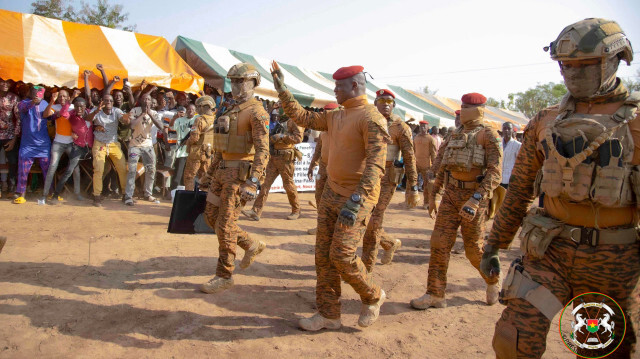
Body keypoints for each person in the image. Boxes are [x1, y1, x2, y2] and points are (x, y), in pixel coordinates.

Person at [481, 18, 640, 358]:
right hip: (548, 253)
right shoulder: (545, 120)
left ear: (614, 60)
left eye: (583, 65)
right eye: (565, 65)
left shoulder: (636, 121)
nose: (571, 73)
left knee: (601, 351)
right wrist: (494, 244)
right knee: (514, 339)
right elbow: (520, 189)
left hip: (612, 264)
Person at [272, 62, 387, 330]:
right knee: (323, 258)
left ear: (355, 86)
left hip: (355, 199)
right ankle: (329, 314)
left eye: (339, 86)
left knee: (342, 256)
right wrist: (282, 88)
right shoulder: (335, 116)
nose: (334, 90)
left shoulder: (371, 118)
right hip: (331, 194)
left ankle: (373, 295)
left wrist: (357, 202)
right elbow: (302, 117)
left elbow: (376, 166)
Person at [411, 92, 502, 309]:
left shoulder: (488, 135)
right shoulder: (454, 135)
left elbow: (495, 172)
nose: (462, 112)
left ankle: (492, 280)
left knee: (473, 250)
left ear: (478, 110)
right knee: (439, 243)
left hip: (473, 198)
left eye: (467, 108)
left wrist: (476, 199)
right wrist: (433, 196)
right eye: (462, 107)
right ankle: (435, 293)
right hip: (451, 196)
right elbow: (442, 167)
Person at [199, 63, 269, 294]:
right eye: (233, 81)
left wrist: (254, 181)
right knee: (211, 218)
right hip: (222, 172)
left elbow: (263, 150)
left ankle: (225, 274)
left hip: (240, 175)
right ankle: (251, 244)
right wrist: (209, 175)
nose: (236, 85)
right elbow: (220, 147)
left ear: (253, 82)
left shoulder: (257, 112)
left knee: (226, 225)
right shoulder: (230, 109)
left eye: (241, 81)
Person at [362, 89, 418, 271]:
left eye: (389, 101)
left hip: (387, 178)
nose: (386, 104)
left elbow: (410, 157)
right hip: (367, 176)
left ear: (394, 105)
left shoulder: (400, 127)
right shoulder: (367, 121)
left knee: (374, 219)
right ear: (375, 103)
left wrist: (413, 187)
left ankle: (366, 266)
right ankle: (389, 243)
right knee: (363, 217)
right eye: (382, 100)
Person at [242, 108, 303, 221]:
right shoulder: (280, 121)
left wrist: (281, 137)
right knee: (264, 184)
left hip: (285, 159)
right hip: (274, 157)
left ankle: (296, 210)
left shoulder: (294, 121)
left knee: (288, 185)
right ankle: (256, 211)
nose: (280, 108)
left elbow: (298, 138)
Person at [41, 89, 83, 203]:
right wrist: (51, 101)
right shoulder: (56, 107)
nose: (62, 98)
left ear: (68, 97)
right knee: (52, 167)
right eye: (60, 96)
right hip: (58, 142)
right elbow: (45, 115)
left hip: (71, 143)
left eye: (64, 96)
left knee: (76, 168)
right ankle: (45, 195)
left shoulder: (75, 107)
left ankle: (77, 193)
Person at [87, 94, 129, 207]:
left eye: (111, 100)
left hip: (113, 143)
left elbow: (124, 119)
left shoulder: (116, 111)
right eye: (106, 100)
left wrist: (127, 117)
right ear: (102, 102)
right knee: (99, 168)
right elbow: (87, 119)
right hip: (100, 143)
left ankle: (126, 194)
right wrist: (96, 111)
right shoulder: (97, 110)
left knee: (122, 168)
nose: (109, 102)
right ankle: (96, 196)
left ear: (113, 102)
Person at [122, 93, 164, 205]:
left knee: (151, 169)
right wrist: (142, 114)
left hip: (148, 146)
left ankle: (148, 194)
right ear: (141, 100)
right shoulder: (134, 111)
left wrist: (149, 113)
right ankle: (128, 196)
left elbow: (160, 126)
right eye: (144, 98)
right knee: (132, 170)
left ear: (151, 102)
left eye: (148, 99)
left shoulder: (154, 113)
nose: (146, 100)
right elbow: (131, 125)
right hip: (134, 146)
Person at [13, 86, 51, 204]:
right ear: (30, 93)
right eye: (35, 93)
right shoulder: (23, 103)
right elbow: (23, 108)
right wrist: (32, 102)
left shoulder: (45, 104)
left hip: (43, 144)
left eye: (40, 93)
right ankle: (21, 194)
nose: (37, 95)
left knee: (47, 169)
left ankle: (49, 192)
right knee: (23, 170)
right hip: (27, 145)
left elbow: (52, 116)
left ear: (43, 95)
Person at [50, 97, 93, 201]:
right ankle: (56, 195)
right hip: (79, 148)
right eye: (77, 106)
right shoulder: (72, 115)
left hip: (91, 148)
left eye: (81, 106)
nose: (79, 108)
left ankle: (91, 193)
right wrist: (70, 101)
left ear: (85, 107)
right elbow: (63, 112)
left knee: (99, 168)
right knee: (70, 170)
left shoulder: (90, 113)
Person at [306, 103, 339, 235]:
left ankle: (334, 226)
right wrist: (312, 165)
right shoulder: (323, 133)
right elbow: (318, 150)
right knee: (319, 195)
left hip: (337, 169)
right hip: (323, 168)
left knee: (334, 199)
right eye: (324, 113)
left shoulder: (342, 132)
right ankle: (322, 226)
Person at [183, 96, 215, 191]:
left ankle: (188, 196)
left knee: (189, 176)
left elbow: (194, 138)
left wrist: (188, 143)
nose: (197, 109)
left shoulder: (199, 120)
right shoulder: (215, 119)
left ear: (204, 107)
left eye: (198, 106)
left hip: (196, 153)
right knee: (205, 177)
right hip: (208, 153)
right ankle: (205, 199)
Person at [0, 78, 20, 198]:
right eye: (2, 81)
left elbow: (18, 119)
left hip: (10, 134)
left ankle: (12, 188)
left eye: (8, 82)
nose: (5, 84)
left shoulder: (14, 98)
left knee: (13, 161)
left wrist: (14, 138)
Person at [171, 104, 197, 188]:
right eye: (188, 109)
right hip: (181, 150)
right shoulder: (179, 120)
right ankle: (174, 190)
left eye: (192, 109)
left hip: (192, 151)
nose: (190, 111)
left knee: (189, 173)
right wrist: (175, 117)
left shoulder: (197, 119)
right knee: (178, 171)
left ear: (195, 111)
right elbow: (171, 128)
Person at [413, 120, 437, 209]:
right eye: (421, 126)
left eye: (424, 126)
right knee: (411, 182)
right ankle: (409, 200)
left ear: (428, 127)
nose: (422, 128)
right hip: (416, 164)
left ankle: (426, 203)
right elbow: (413, 151)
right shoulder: (416, 138)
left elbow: (433, 153)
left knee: (427, 185)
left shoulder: (430, 139)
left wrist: (434, 167)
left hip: (426, 166)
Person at [499, 122, 521, 190]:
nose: (506, 130)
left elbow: (519, 163)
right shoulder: (498, 143)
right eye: (504, 128)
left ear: (512, 131)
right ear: (502, 130)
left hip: (510, 179)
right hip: (498, 178)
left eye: (509, 128)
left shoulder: (517, 145)